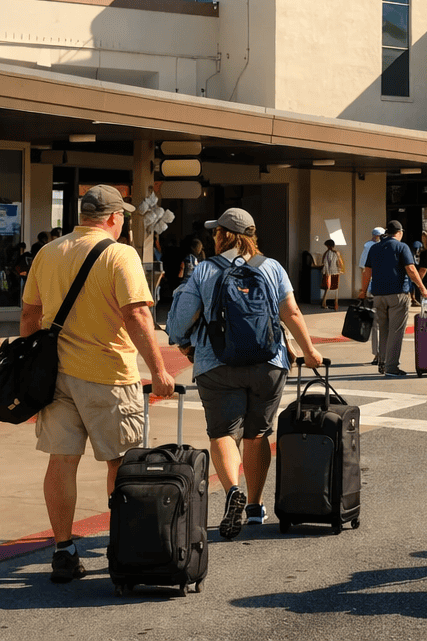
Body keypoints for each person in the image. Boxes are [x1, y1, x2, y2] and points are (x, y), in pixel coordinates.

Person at [20, 185, 176, 584]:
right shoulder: (119, 254)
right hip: (109, 375)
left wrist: (27, 369)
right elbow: (138, 315)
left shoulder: (48, 251)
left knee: (61, 462)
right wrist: (159, 371)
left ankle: (63, 548)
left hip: (55, 376)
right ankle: (123, 541)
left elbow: (29, 315)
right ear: (111, 219)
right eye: (122, 215)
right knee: (121, 463)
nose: (122, 221)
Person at [166, 208, 323, 539]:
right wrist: (309, 351)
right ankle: (254, 506)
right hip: (269, 362)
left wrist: (184, 342)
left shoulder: (206, 271)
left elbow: (179, 324)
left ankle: (232, 491)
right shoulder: (272, 268)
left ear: (221, 235)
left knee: (222, 432)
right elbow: (291, 311)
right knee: (257, 433)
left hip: (216, 363)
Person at [358, 220, 427, 377]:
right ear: (400, 232)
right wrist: (422, 288)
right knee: (396, 331)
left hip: (378, 295)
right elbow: (410, 269)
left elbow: (367, 272)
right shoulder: (402, 247)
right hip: (397, 294)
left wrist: (363, 291)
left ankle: (382, 361)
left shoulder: (374, 248)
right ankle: (392, 367)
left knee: (383, 329)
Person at [358, 227, 385, 367]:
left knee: (377, 323)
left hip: (373, 289)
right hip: (383, 288)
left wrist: (363, 290)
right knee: (383, 323)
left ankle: (378, 354)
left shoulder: (369, 247)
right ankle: (384, 355)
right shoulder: (384, 247)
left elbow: (364, 269)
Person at [320, 238, 345, 311]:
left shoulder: (326, 253)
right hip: (335, 272)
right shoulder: (336, 253)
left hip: (328, 272)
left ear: (328, 245)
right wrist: (340, 270)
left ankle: (324, 303)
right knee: (335, 289)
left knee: (327, 288)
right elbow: (339, 263)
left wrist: (324, 272)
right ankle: (335, 304)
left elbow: (325, 264)